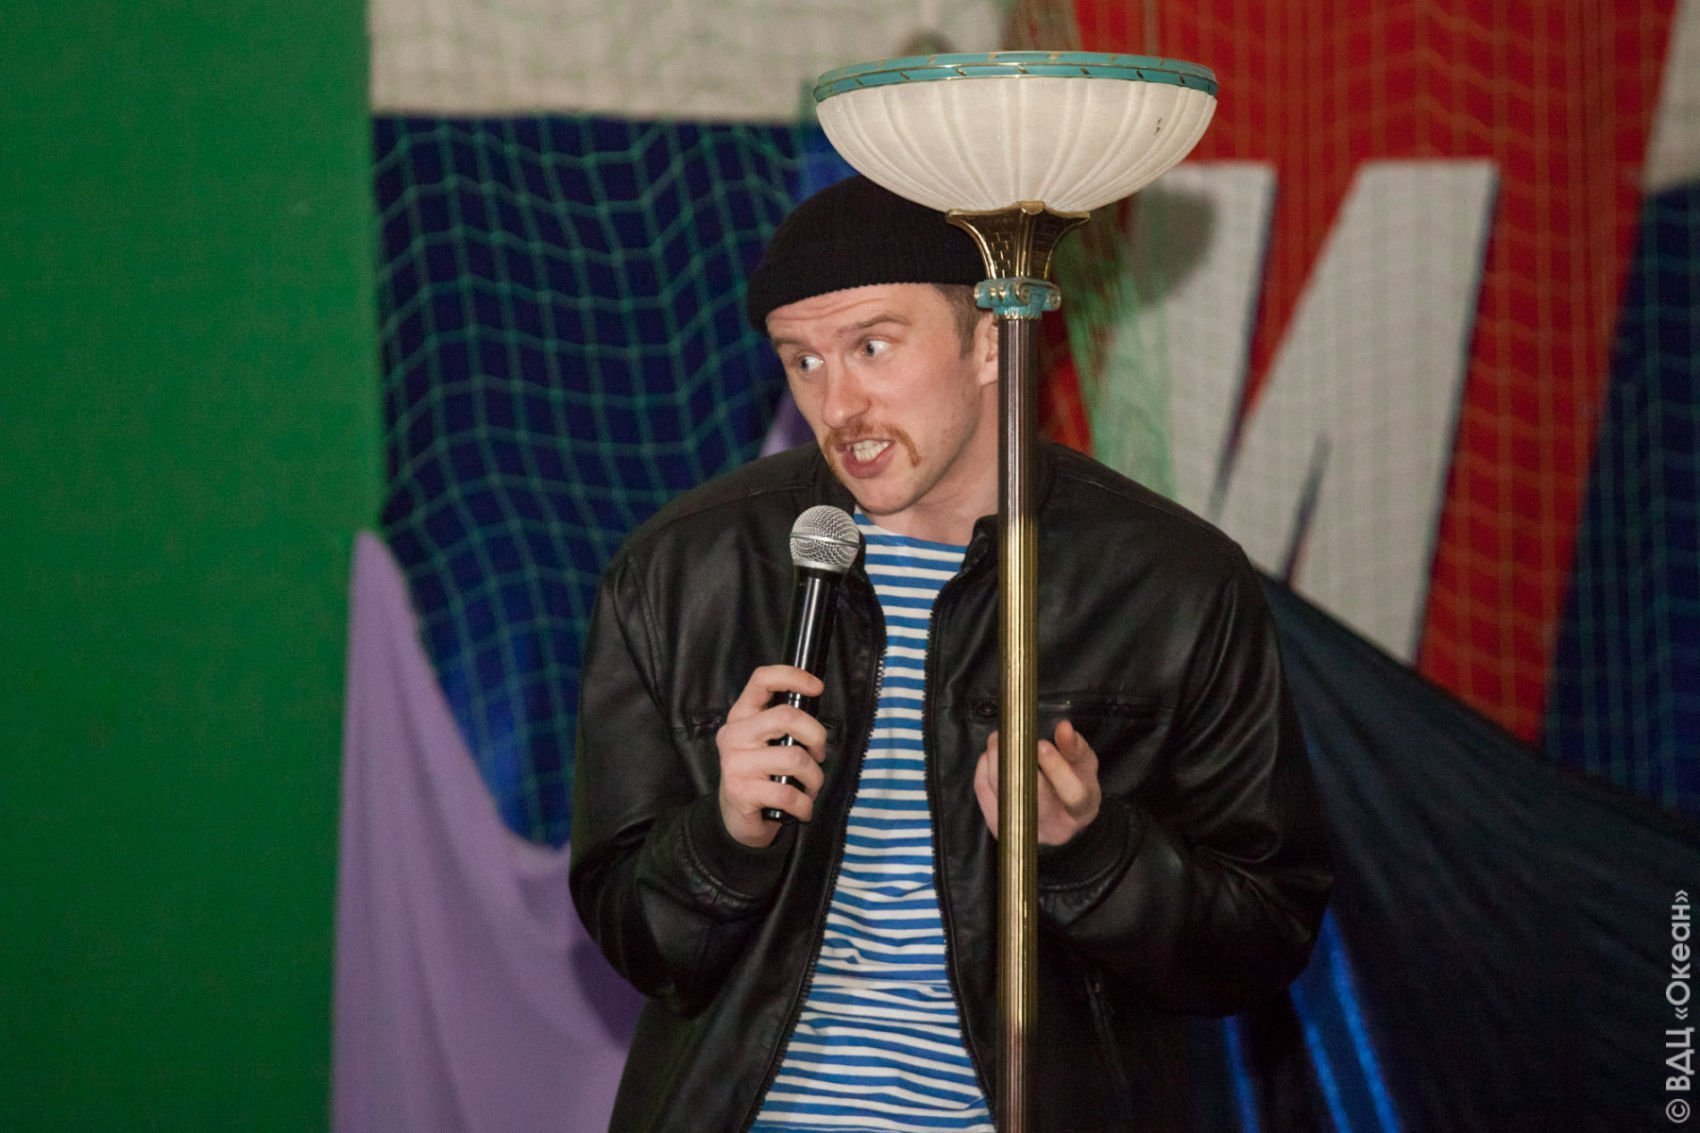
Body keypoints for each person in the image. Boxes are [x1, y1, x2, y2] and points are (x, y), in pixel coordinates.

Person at [570, 175, 1331, 1132]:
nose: (838, 403)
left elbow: (1263, 938)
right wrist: (726, 837)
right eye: (802, 360)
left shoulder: (1172, 585)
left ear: (991, 341)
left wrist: (1091, 851)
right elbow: (635, 940)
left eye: (872, 346)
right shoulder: (681, 570)